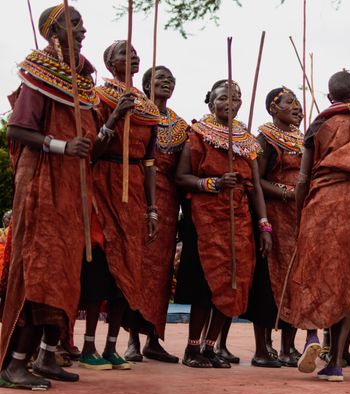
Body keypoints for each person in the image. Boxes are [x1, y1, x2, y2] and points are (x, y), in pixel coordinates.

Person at [0, 5, 96, 389]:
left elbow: (88, 143)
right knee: (40, 270)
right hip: (42, 184)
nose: (83, 29)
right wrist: (61, 145)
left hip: (72, 188)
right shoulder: (38, 76)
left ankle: (46, 356)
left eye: (82, 22)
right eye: (73, 23)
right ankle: (14, 365)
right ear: (52, 31)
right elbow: (18, 130)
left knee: (66, 273)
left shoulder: (83, 82)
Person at [280, 70, 350, 382]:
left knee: (312, 271)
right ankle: (336, 363)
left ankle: (312, 336)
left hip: (324, 201)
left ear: (329, 97)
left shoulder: (320, 123)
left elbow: (302, 180)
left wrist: (302, 214)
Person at [174, 80, 272, 368]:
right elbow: (181, 177)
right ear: (210, 103)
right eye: (223, 98)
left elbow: (254, 186)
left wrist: (264, 225)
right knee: (205, 285)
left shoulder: (247, 141)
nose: (230, 103)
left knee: (235, 283)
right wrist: (213, 183)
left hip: (240, 221)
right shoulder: (198, 135)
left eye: (236, 98)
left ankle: (210, 347)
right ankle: (192, 349)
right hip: (206, 220)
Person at [80, 40, 160, 370]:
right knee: (100, 269)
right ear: (110, 61)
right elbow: (92, 152)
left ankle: (113, 346)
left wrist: (153, 208)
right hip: (103, 184)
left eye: (136, 51)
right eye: (125, 52)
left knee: (128, 272)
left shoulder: (150, 109)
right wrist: (114, 116)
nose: (134, 55)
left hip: (135, 191)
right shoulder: (97, 97)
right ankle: (87, 347)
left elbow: (151, 161)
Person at [122, 66, 186, 364]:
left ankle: (153, 339)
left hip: (169, 205)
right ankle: (132, 339)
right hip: (139, 199)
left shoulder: (182, 126)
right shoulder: (138, 115)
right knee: (137, 268)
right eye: (161, 79)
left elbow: (185, 170)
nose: (167, 83)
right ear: (146, 85)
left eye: (171, 79)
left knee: (160, 273)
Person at [242, 87, 303, 368]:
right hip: (273, 216)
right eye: (289, 102)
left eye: (298, 102)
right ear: (272, 108)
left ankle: (289, 347)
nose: (296, 107)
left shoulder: (304, 141)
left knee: (294, 279)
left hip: (299, 219)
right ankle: (262, 348)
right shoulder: (264, 138)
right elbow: (257, 181)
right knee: (268, 281)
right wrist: (287, 192)